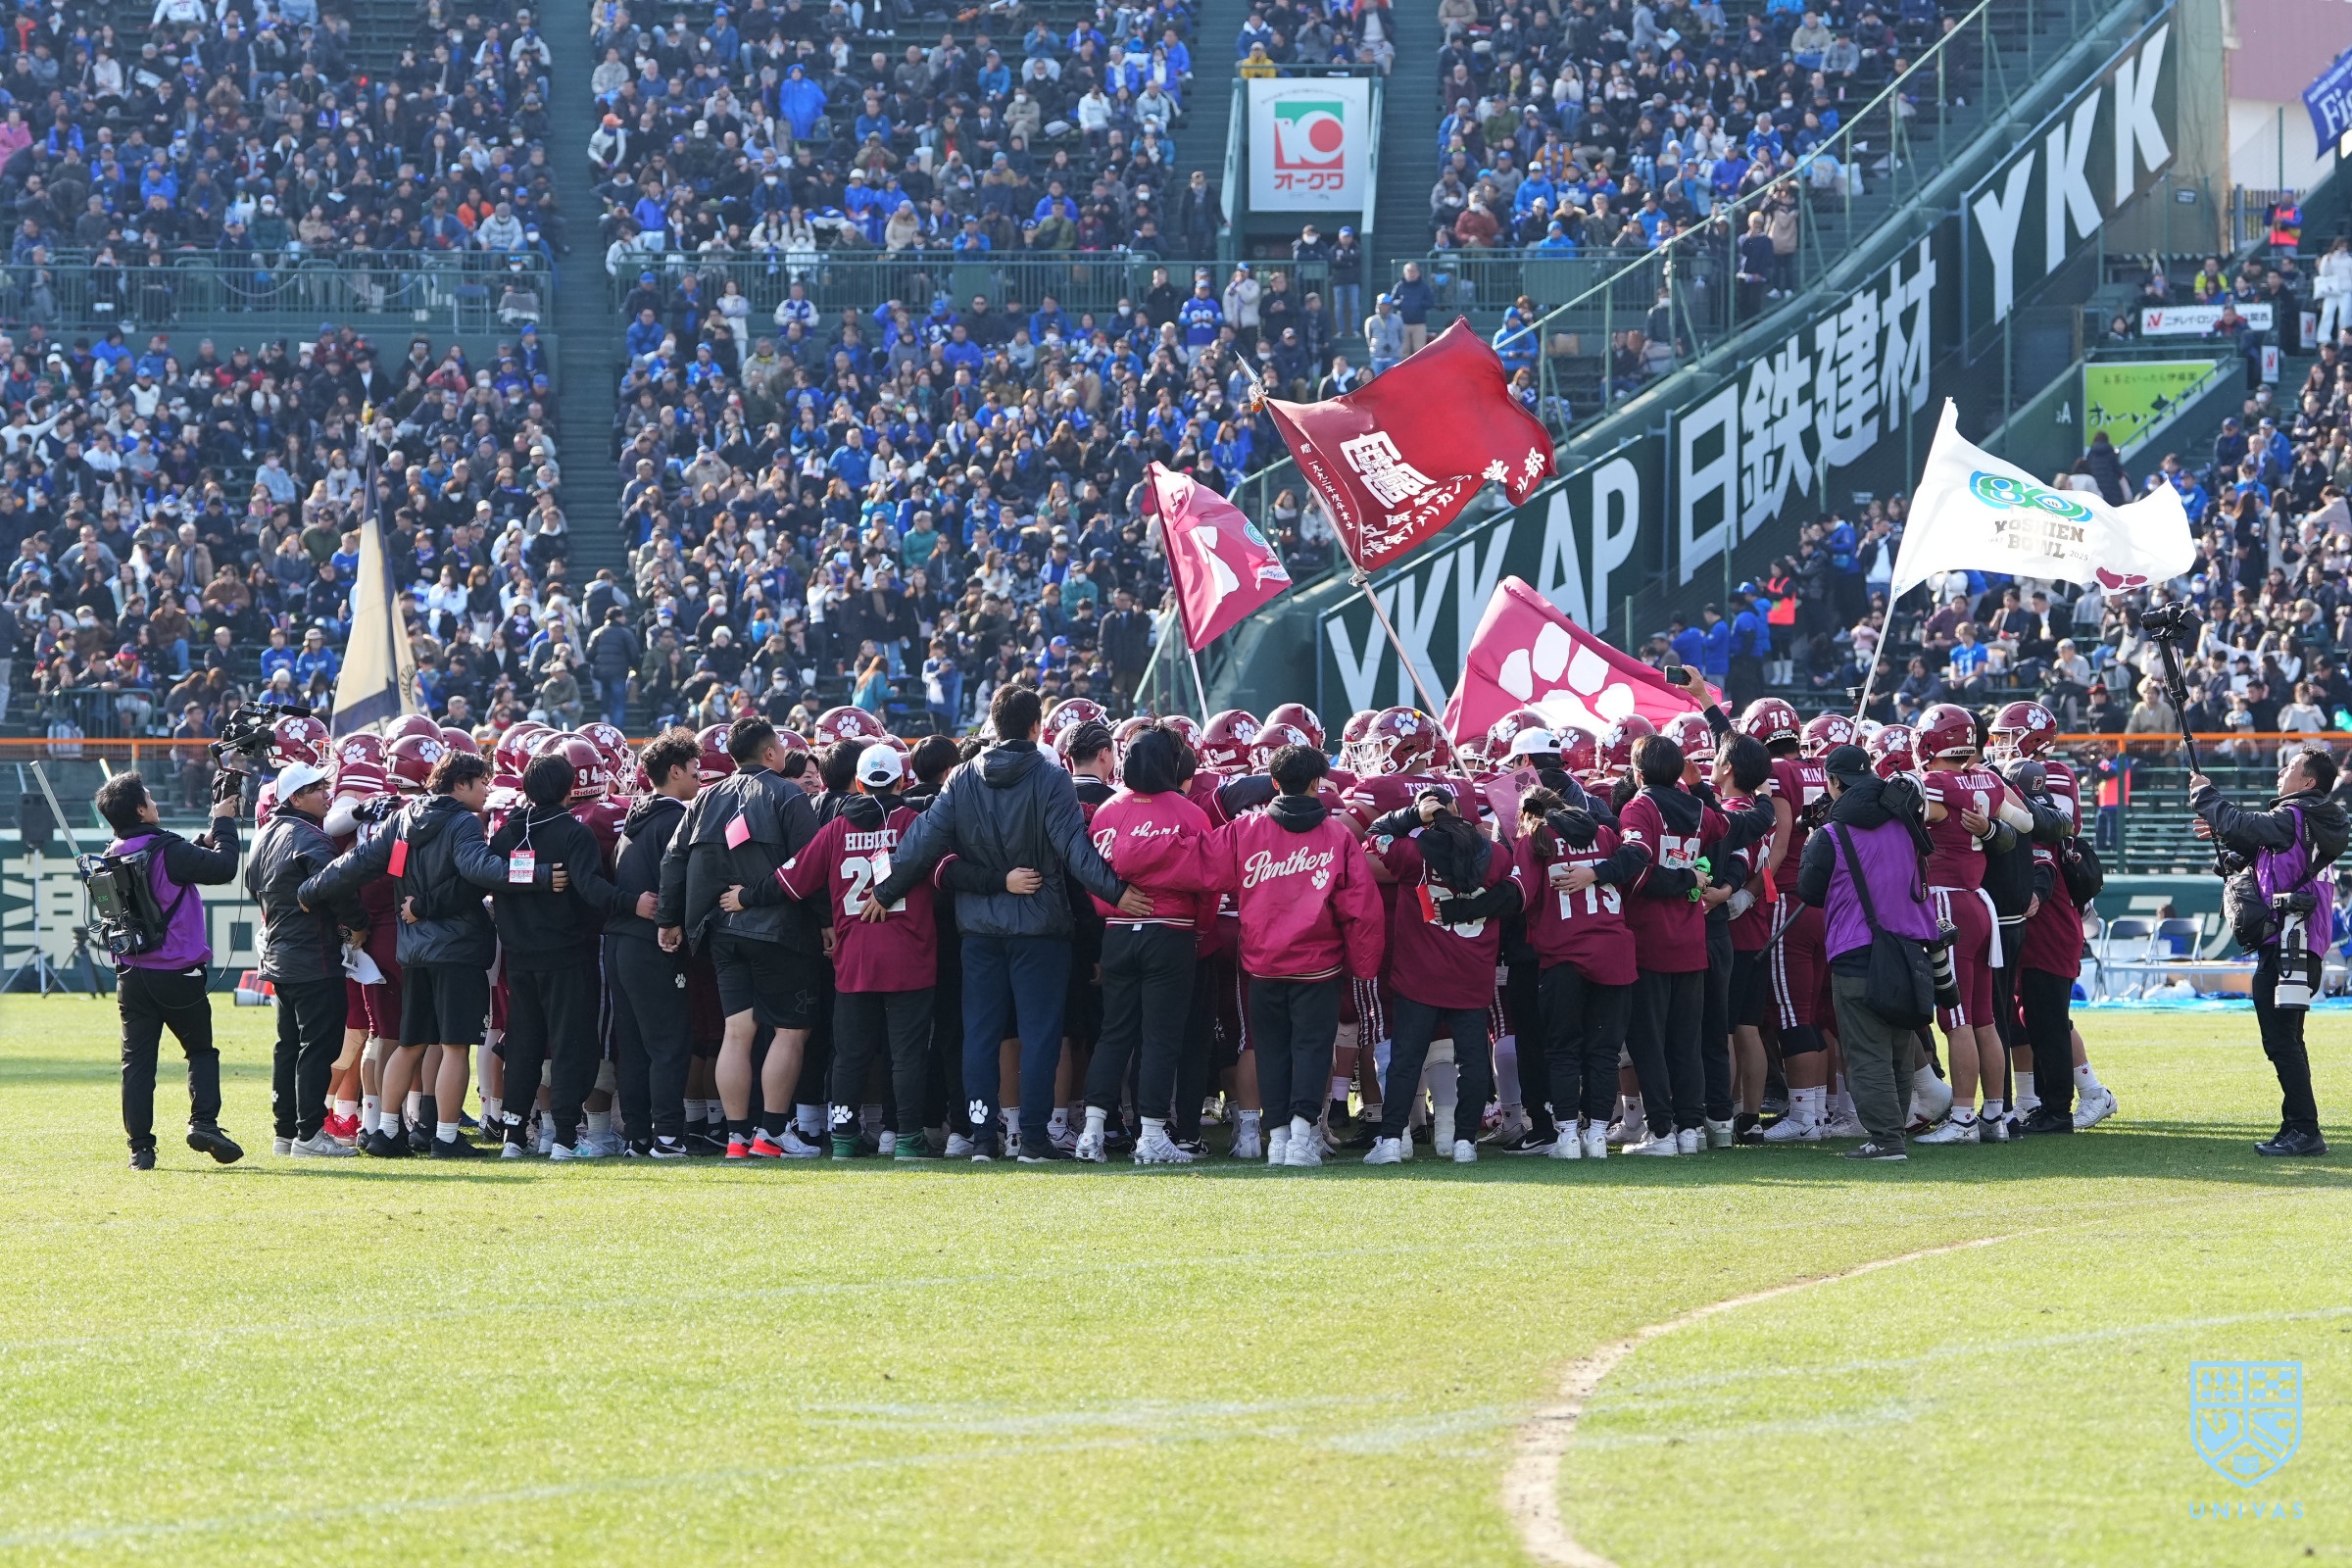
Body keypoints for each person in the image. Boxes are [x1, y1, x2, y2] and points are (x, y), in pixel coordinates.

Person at [870, 686, 1148, 1161]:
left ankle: (983, 1138)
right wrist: (1118, 893)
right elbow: (1074, 850)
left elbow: (922, 841)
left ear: (994, 725)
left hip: (979, 931)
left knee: (980, 1035)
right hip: (1040, 930)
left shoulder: (962, 777)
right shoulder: (1050, 777)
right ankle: (1033, 1139)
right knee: (1041, 1036)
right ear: (1037, 727)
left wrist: (884, 891)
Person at [730, 741, 941, 1158]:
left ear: (859, 784)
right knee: (907, 1054)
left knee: (849, 1053)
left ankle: (843, 1136)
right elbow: (945, 873)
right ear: (902, 781)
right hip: (910, 956)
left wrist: (745, 897)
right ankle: (907, 1136)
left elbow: (790, 881)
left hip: (854, 957)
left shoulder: (835, 829)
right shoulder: (915, 823)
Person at [300, 749, 513, 1159]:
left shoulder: (402, 818)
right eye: (482, 782)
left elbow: (357, 862)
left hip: (412, 950)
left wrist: (311, 889)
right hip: (456, 949)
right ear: (461, 784)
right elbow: (480, 870)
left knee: (410, 1042)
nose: (487, 790)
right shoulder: (464, 822)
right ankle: (446, 1137)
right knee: (454, 1047)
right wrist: (537, 874)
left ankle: (385, 1131)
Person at [1197, 741, 1386, 1166]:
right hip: (1319, 966)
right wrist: (1363, 966)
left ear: (1274, 782)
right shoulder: (1337, 835)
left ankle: (1279, 1137)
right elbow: (1362, 908)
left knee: (1271, 1050)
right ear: (1318, 783)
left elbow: (1198, 866)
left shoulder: (1245, 830)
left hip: (1263, 962)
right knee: (1312, 1049)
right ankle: (1300, 1134)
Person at [666, 717, 826, 1159]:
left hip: (720, 931)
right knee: (790, 1031)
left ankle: (736, 1138)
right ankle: (770, 1134)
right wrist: (826, 920)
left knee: (736, 1033)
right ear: (771, 752)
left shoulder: (705, 797)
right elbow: (809, 866)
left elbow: (674, 859)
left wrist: (668, 918)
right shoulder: (788, 794)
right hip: (780, 930)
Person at [2190, 749, 2347, 1156]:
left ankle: (2305, 1131)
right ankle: (2295, 1125)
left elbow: (2243, 823)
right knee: (2289, 1039)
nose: (2281, 771)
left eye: (2290, 767)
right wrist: (2228, 841)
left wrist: (2206, 795)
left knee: (2281, 1042)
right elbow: (2259, 849)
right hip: (2301, 943)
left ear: (2308, 782)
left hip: (2287, 944)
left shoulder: (2294, 815)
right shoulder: (2313, 820)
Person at [1796, 744, 1941, 1161]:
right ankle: (1894, 1133)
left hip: (1858, 950)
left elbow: (1809, 891)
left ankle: (1886, 1139)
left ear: (1833, 783)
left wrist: (1813, 838)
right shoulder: (1906, 823)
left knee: (1866, 1052)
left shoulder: (1832, 835)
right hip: (1910, 949)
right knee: (1898, 1049)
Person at [98, 768, 246, 1169]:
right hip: (179, 972)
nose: (154, 802)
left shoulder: (112, 852)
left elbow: (158, 873)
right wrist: (225, 821)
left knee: (137, 1063)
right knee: (200, 1051)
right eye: (149, 797)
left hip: (131, 973)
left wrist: (201, 841)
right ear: (140, 810)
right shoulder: (168, 848)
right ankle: (204, 1123)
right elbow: (224, 868)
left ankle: (140, 1149)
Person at [488, 751, 622, 1159]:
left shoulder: (506, 834)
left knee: (523, 1043)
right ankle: (564, 1135)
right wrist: (632, 904)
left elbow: (491, 880)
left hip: (518, 956)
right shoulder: (573, 833)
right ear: (570, 788)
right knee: (569, 1043)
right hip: (566, 954)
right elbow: (591, 890)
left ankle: (514, 1135)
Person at [246, 760, 359, 1157]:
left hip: (279, 954)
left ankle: (286, 1133)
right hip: (314, 956)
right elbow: (336, 887)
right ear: (295, 798)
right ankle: (309, 1134)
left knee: (288, 1046)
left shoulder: (264, 833)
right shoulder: (311, 836)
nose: (327, 794)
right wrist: (358, 924)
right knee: (318, 1047)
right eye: (317, 789)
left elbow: (252, 886)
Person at [608, 727, 703, 1157]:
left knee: (633, 1047)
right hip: (653, 945)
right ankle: (667, 1136)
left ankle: (638, 1136)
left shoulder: (635, 819)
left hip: (621, 944)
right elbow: (683, 879)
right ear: (675, 770)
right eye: (694, 767)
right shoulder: (676, 820)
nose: (699, 775)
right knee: (668, 1043)